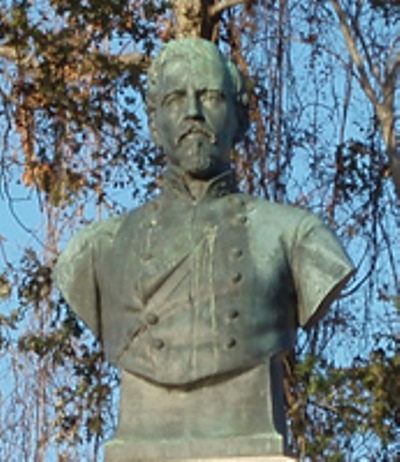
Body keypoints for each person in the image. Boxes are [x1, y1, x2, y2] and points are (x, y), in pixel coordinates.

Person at [54, 38, 354, 461]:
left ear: (239, 116)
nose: (193, 112)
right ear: (154, 122)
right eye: (176, 99)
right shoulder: (96, 250)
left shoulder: (297, 236)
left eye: (210, 96)